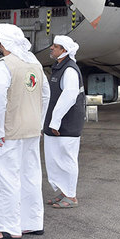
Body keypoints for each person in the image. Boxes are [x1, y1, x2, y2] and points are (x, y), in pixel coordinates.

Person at [0, 24, 49, 239]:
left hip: (8, 132)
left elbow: (0, 98)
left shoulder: (5, 65)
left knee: (3, 178)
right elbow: (46, 95)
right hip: (30, 130)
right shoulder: (34, 63)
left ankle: (8, 228)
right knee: (30, 175)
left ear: (3, 43)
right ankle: (32, 222)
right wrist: (39, 123)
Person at [43, 35, 85, 209]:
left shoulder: (69, 70)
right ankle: (63, 191)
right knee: (56, 159)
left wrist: (55, 121)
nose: (52, 48)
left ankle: (71, 196)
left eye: (56, 46)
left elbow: (69, 96)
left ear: (64, 50)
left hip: (65, 124)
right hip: (57, 123)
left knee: (66, 159)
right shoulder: (60, 67)